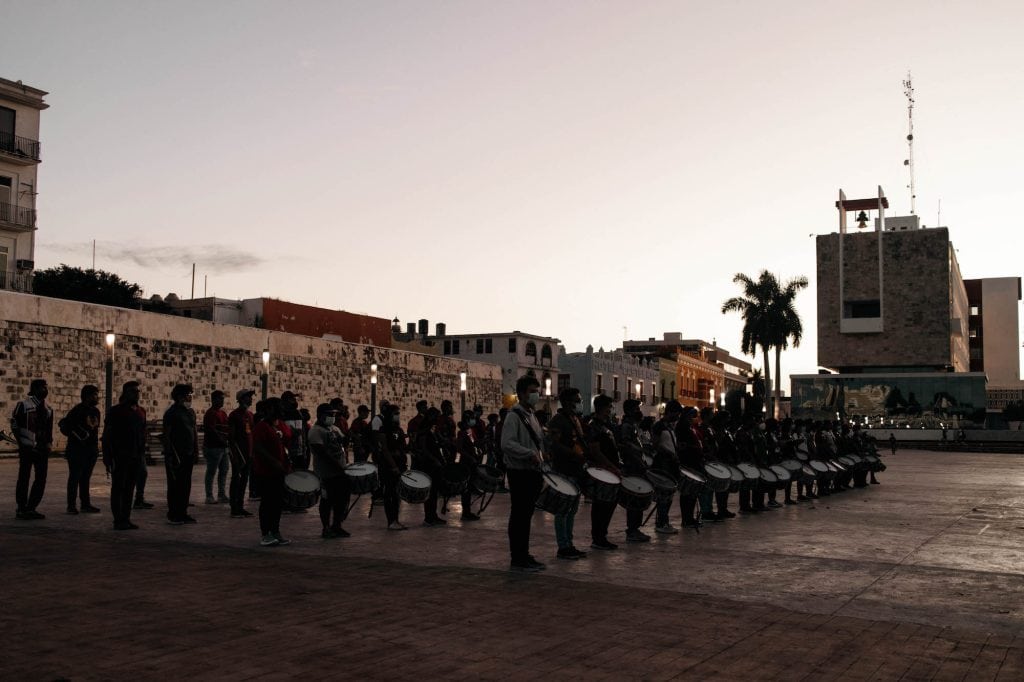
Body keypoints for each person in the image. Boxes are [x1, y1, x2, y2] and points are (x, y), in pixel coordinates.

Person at [500, 375, 547, 572]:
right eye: (532, 391)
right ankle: (517, 558)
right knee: (519, 515)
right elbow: (507, 444)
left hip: (532, 472)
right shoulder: (514, 416)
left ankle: (524, 553)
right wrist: (529, 454)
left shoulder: (531, 415)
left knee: (525, 516)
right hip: (520, 473)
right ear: (521, 394)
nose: (536, 395)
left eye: (537, 391)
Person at [547, 388, 592, 558]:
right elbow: (554, 444)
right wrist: (572, 453)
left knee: (572, 511)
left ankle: (569, 543)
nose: (579, 403)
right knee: (562, 511)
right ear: (566, 402)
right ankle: (563, 546)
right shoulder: (558, 421)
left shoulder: (574, 419)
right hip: (563, 469)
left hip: (575, 469)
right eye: (576, 400)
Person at [102, 381, 147, 530]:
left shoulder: (141, 411)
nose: (136, 394)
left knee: (129, 488)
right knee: (118, 488)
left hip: (136, 456)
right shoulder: (116, 411)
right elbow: (107, 435)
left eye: (137, 391)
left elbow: (142, 433)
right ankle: (118, 520)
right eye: (132, 391)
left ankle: (126, 518)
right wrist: (107, 457)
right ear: (125, 393)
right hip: (120, 456)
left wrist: (141, 454)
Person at [583, 394, 626, 548]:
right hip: (602, 471)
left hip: (610, 470)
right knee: (601, 504)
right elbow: (595, 451)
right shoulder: (594, 425)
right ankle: (598, 537)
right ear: (601, 408)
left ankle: (602, 535)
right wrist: (611, 466)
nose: (610, 410)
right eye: (609, 407)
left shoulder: (605, 425)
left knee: (609, 504)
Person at [252, 398, 292, 546]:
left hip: (280, 471)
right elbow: (257, 447)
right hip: (266, 471)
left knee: (277, 503)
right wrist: (273, 461)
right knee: (267, 503)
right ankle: (266, 533)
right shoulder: (261, 427)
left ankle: (276, 531)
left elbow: (288, 439)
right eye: (277, 407)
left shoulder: (280, 425)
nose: (281, 410)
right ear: (269, 409)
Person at [12, 378, 53, 520]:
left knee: (41, 479)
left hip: (41, 449)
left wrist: (49, 443)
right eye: (42, 387)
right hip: (27, 447)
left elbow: (49, 430)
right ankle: (21, 507)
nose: (45, 390)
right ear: (34, 389)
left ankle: (31, 507)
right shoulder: (23, 405)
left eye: (46, 387)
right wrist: (20, 443)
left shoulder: (48, 409)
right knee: (24, 478)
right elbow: (15, 424)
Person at [309, 403, 352, 539]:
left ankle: (337, 525)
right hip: (326, 472)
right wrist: (338, 467)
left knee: (341, 500)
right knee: (327, 500)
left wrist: (348, 436)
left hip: (340, 471)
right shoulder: (315, 431)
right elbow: (321, 452)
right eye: (330, 415)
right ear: (321, 416)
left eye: (334, 415)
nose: (332, 417)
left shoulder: (334, 428)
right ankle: (326, 527)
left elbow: (343, 442)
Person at [60, 384, 102, 515]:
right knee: (75, 477)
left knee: (86, 478)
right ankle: (71, 505)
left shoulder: (96, 411)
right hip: (77, 450)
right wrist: (79, 435)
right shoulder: (77, 410)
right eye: (95, 394)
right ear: (87, 396)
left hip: (91, 450)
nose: (97, 397)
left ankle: (85, 504)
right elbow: (65, 426)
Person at [163, 383, 199, 525]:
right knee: (174, 485)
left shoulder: (190, 412)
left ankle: (183, 512)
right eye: (187, 395)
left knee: (185, 484)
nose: (189, 397)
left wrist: (196, 450)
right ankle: (173, 513)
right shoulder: (171, 413)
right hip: (176, 454)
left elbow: (194, 431)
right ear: (179, 396)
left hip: (188, 453)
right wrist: (169, 454)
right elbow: (167, 434)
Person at [617, 399, 651, 542]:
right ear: (630, 410)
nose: (639, 411)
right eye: (636, 408)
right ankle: (632, 530)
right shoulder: (626, 426)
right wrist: (638, 458)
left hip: (638, 466)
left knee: (640, 498)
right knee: (635, 499)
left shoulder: (633, 426)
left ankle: (635, 528)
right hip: (633, 467)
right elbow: (626, 446)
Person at [374, 403, 408, 531]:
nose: (397, 416)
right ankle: (391, 520)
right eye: (395, 413)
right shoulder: (384, 430)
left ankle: (396, 519)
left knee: (397, 494)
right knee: (390, 493)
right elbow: (385, 450)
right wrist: (393, 466)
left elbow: (402, 446)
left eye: (398, 413)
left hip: (399, 464)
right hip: (388, 467)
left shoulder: (398, 430)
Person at [412, 407, 448, 526]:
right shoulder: (423, 431)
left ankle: (433, 515)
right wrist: (434, 460)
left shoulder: (431, 430)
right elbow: (424, 449)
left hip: (434, 464)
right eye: (437, 416)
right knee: (431, 493)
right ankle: (429, 517)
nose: (438, 419)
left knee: (434, 492)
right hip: (429, 466)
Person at [652, 401, 683, 533]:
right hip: (663, 462)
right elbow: (656, 444)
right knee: (663, 494)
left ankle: (664, 521)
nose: (678, 416)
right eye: (676, 413)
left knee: (670, 494)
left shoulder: (671, 427)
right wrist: (669, 453)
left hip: (672, 463)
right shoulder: (659, 426)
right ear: (670, 412)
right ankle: (661, 522)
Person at [227, 389, 256, 518]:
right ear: (242, 399)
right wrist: (234, 455)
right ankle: (234, 507)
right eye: (248, 397)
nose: (250, 399)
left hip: (248, 453)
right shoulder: (234, 415)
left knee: (244, 481)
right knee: (236, 480)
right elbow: (231, 438)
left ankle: (240, 506)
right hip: (239, 453)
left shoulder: (250, 415)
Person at [203, 390, 230, 505]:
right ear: (213, 399)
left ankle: (221, 494)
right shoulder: (210, 413)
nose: (222, 401)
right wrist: (222, 440)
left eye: (223, 398)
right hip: (213, 447)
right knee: (211, 471)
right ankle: (209, 495)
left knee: (224, 470)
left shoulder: (223, 413)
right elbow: (211, 430)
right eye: (220, 398)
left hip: (223, 447)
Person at [456, 410, 482, 521]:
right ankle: (465, 513)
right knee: (466, 489)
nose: (474, 420)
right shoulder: (462, 433)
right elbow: (460, 448)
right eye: (472, 418)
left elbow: (473, 443)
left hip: (472, 462)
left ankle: (468, 511)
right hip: (466, 463)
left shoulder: (469, 431)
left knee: (469, 488)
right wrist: (470, 457)